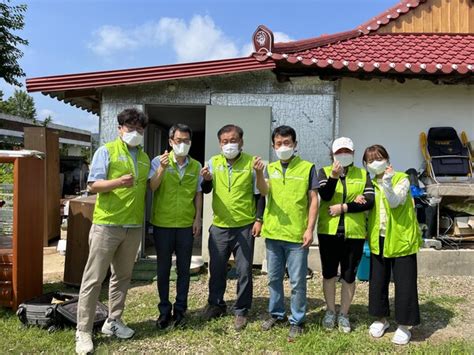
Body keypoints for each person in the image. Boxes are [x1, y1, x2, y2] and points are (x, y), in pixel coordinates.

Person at [75, 108, 150, 354]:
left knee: (122, 277)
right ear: (120, 129)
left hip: (133, 226)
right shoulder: (106, 151)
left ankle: (114, 321)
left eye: (140, 129)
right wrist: (118, 182)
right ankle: (83, 331)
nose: (135, 133)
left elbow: (152, 183)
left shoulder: (144, 157)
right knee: (94, 278)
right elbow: (93, 185)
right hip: (107, 225)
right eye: (131, 128)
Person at [256, 125, 319, 341]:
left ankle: (298, 319)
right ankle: (277, 313)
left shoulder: (308, 168)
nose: (283, 147)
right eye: (279, 144)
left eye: (287, 143)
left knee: (297, 281)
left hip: (296, 235)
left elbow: (313, 200)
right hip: (273, 233)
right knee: (273, 278)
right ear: (273, 146)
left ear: (295, 144)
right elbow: (263, 194)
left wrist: (310, 229)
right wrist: (257, 173)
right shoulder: (269, 168)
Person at [200, 124, 265, 331]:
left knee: (245, 270)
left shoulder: (251, 163)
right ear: (219, 143)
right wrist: (207, 180)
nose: (229, 144)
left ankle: (241, 310)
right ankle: (216, 304)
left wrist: (259, 219)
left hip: (244, 226)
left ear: (241, 142)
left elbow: (260, 195)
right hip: (220, 226)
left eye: (233, 140)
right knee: (217, 268)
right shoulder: (213, 162)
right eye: (225, 141)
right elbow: (206, 190)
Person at [362, 144, 422, 345]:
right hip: (378, 238)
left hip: (400, 238)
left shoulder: (401, 178)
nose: (375, 163)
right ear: (365, 165)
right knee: (378, 280)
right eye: (370, 161)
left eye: (378, 158)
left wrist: (387, 182)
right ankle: (381, 319)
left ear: (387, 159)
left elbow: (395, 202)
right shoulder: (368, 182)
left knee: (404, 283)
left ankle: (404, 325)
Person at [317, 137, 374, 332]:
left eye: (347, 151)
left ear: (353, 153)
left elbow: (369, 201)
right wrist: (333, 177)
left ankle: (344, 314)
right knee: (329, 273)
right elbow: (324, 195)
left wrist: (344, 207)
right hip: (328, 232)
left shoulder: (362, 174)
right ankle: (331, 311)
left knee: (349, 275)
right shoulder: (323, 172)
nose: (344, 155)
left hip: (355, 232)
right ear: (332, 154)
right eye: (339, 151)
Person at [149, 123, 203, 329]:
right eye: (179, 141)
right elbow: (152, 187)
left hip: (185, 225)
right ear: (171, 142)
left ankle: (180, 309)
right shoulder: (158, 161)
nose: (183, 144)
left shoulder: (196, 166)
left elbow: (198, 193)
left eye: (186, 141)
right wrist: (162, 169)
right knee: (163, 269)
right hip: (163, 223)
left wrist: (197, 218)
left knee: (183, 269)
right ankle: (164, 310)